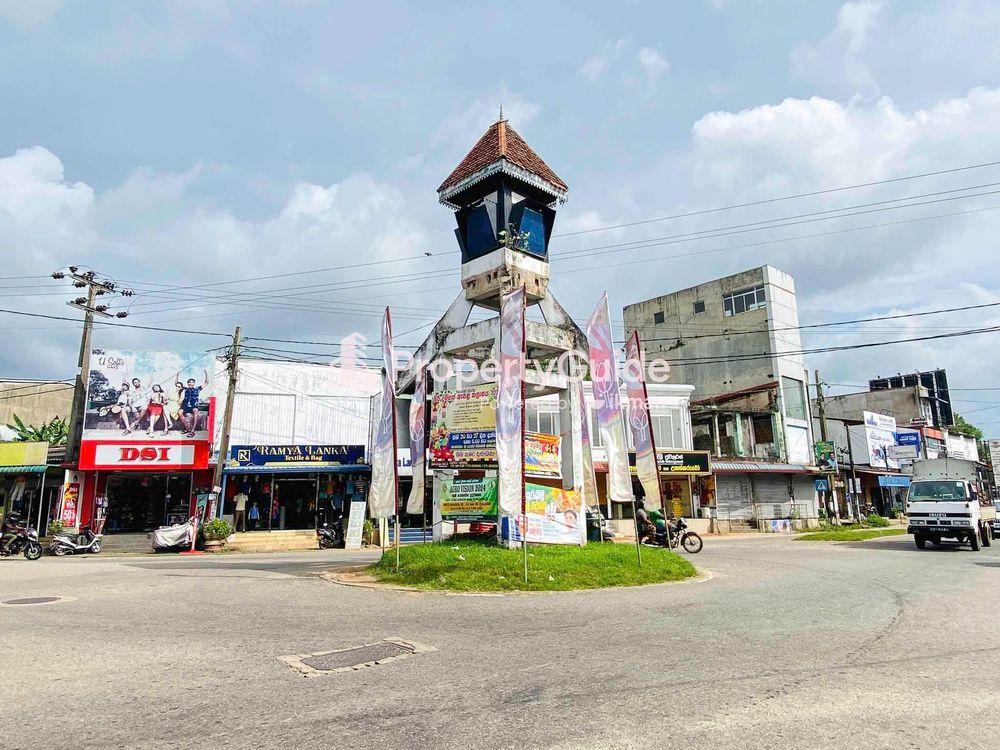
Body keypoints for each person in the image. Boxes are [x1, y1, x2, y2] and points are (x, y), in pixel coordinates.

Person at [180, 371, 209, 438]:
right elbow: (177, 384)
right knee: (180, 412)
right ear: (187, 383)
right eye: (189, 382)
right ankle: (187, 427)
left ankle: (192, 430)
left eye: (192, 382)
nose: (191, 383)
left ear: (194, 383)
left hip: (194, 405)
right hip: (186, 405)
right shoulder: (185, 389)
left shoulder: (197, 389)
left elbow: (206, 382)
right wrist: (177, 375)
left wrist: (206, 373)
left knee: (195, 411)